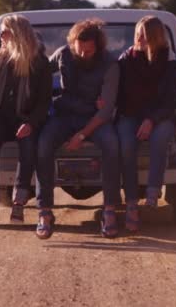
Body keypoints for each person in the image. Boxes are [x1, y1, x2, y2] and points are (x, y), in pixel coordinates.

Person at [35, 18, 120, 239]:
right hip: (64, 115)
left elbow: (106, 110)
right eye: (79, 50)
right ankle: (44, 211)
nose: (83, 55)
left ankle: (109, 210)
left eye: (89, 51)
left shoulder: (110, 64)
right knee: (43, 143)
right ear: (72, 43)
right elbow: (40, 73)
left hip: (94, 118)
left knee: (112, 144)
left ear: (98, 46)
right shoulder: (63, 54)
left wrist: (82, 135)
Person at [0, 14, 53, 225]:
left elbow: (44, 102)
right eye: (2, 32)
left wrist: (31, 123)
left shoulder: (39, 63)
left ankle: (18, 204)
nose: (1, 37)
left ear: (18, 35)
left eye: (5, 32)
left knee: (29, 143)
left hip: (24, 119)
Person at [115, 16, 176, 232]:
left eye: (143, 34)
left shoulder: (171, 62)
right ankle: (131, 201)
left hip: (159, 115)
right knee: (126, 144)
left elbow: (170, 100)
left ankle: (153, 193)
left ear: (155, 36)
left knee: (161, 137)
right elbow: (121, 95)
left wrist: (151, 120)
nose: (139, 38)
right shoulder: (126, 59)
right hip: (130, 114)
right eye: (137, 33)